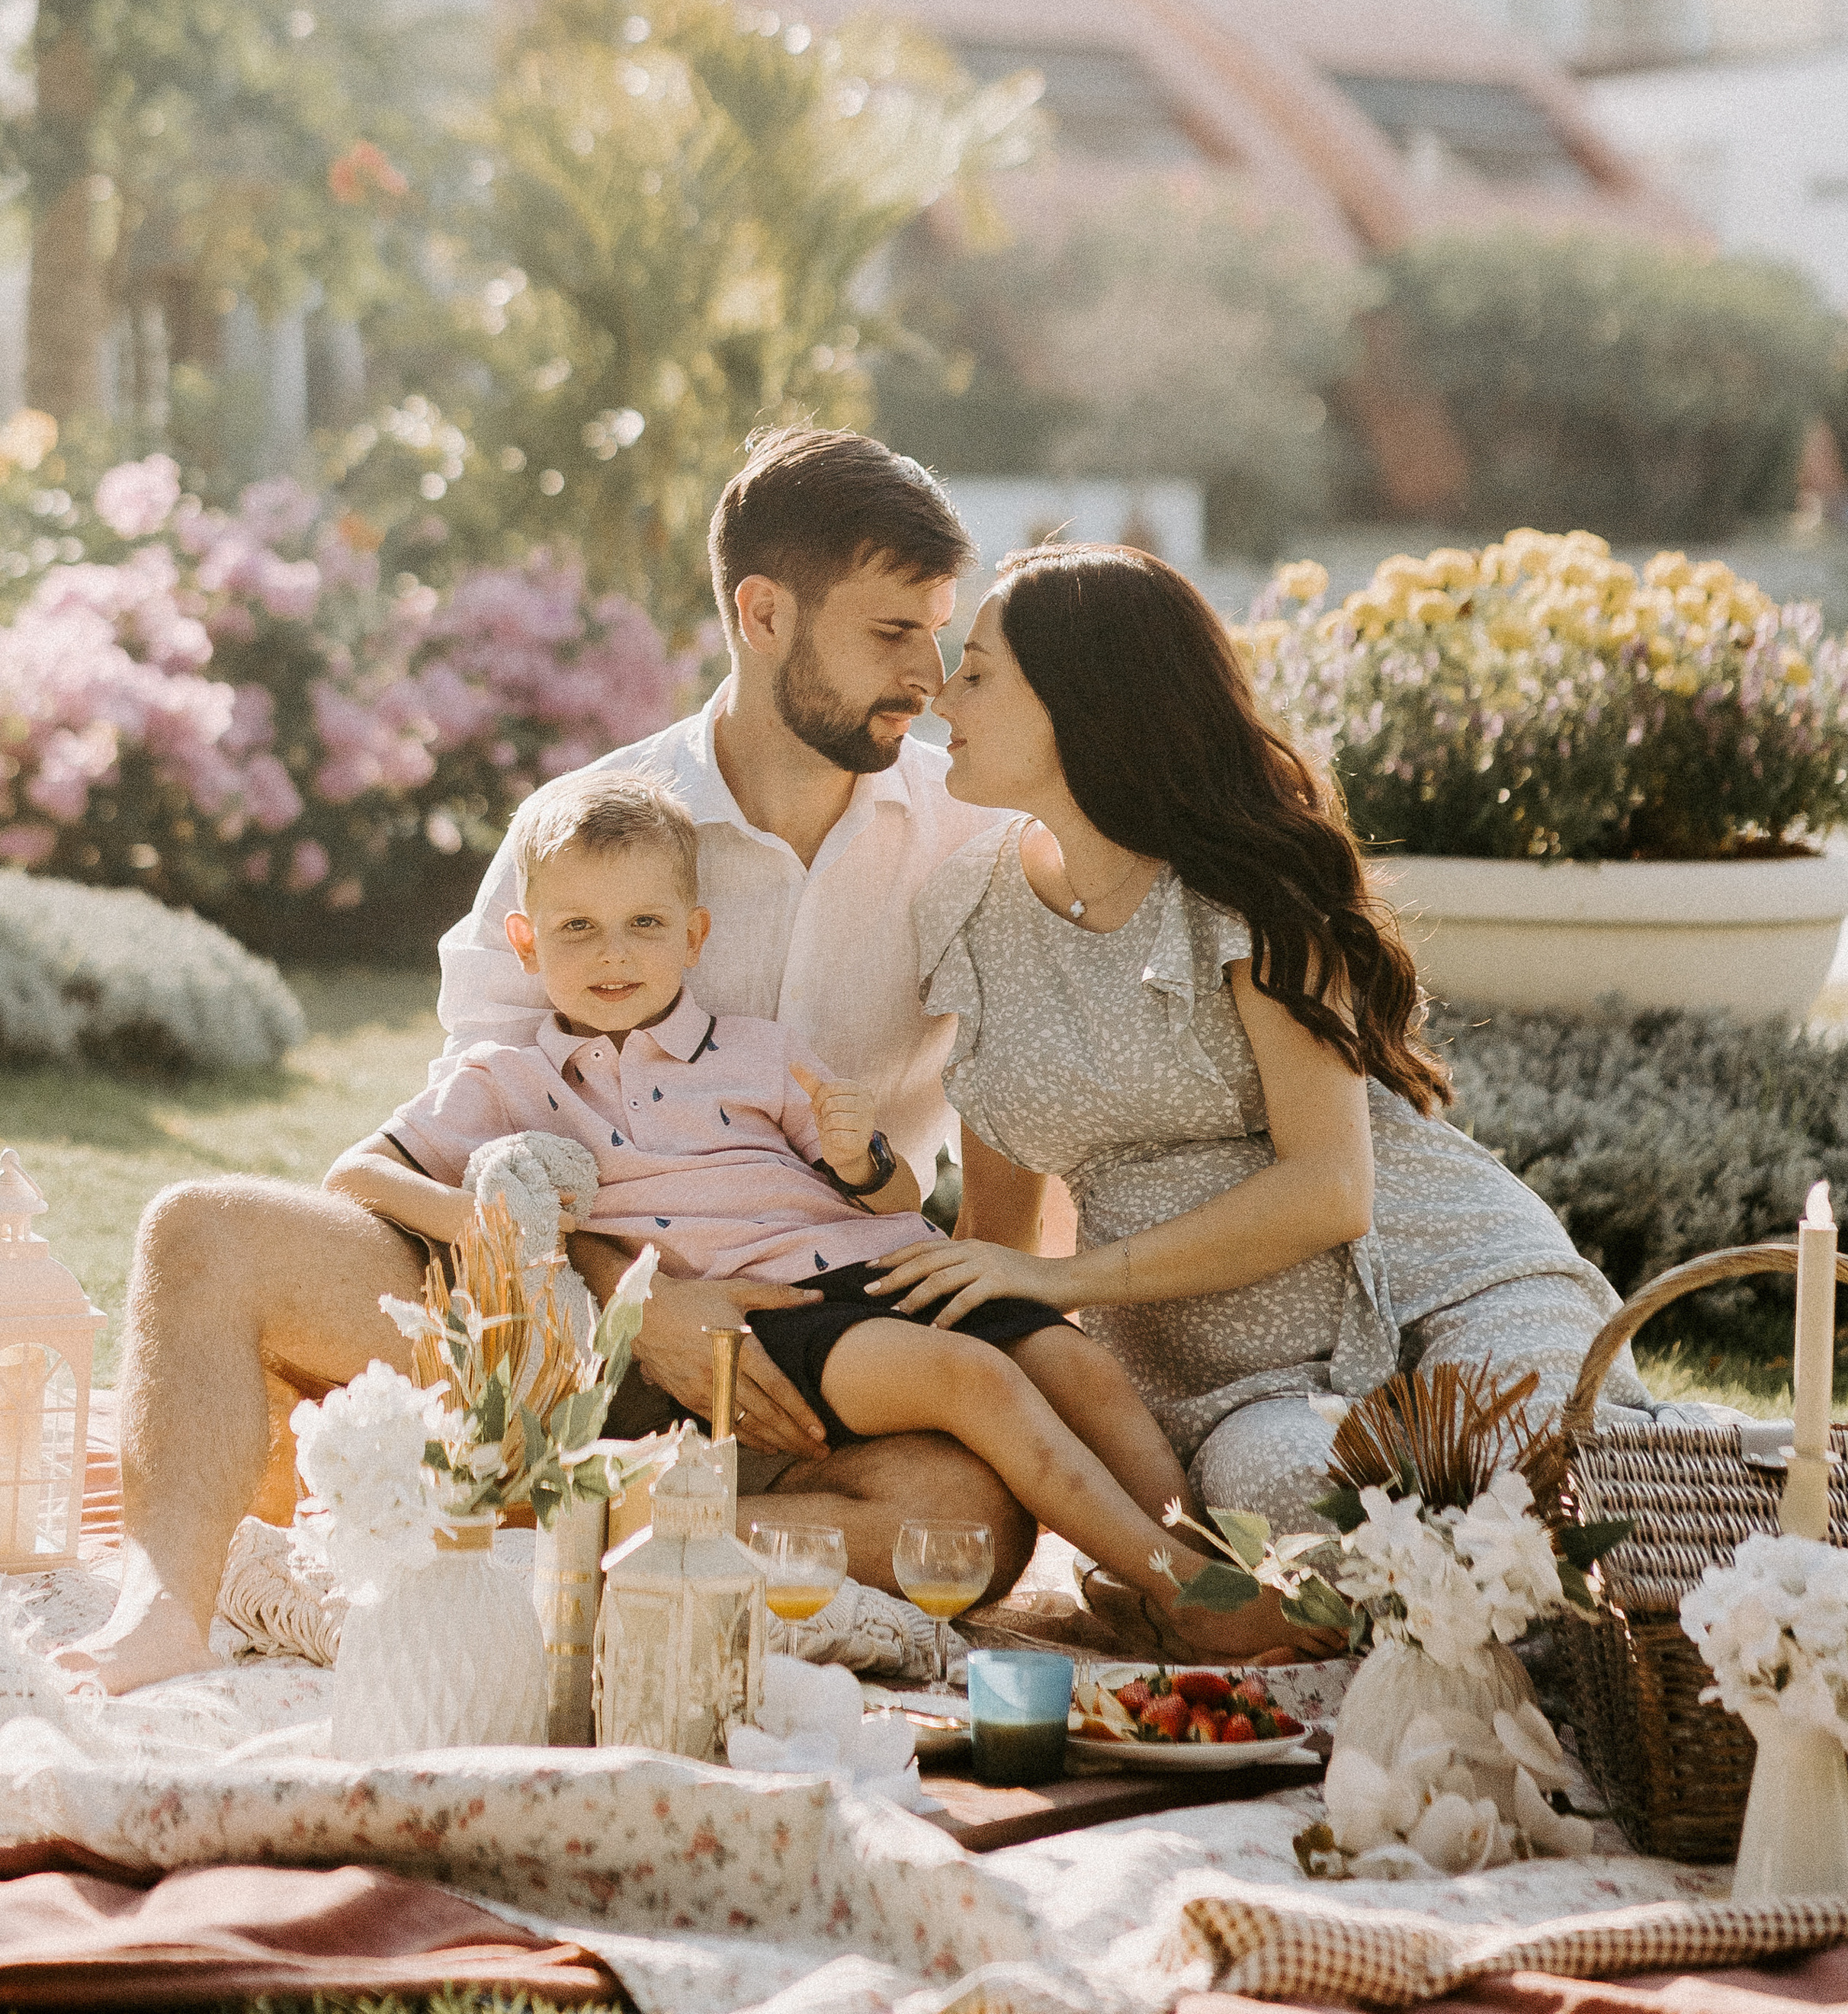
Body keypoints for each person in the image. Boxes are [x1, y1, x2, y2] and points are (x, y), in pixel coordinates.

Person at [56, 428, 1024, 1695]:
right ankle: (165, 1608)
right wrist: (635, 1308)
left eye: (938, 634)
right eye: (894, 633)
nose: (928, 676)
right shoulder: (587, 826)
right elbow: (488, 1110)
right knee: (201, 1231)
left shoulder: (971, 837)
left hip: (820, 1351)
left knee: (971, 1520)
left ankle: (559, 1534)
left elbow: (1010, 1145)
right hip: (553, 1308)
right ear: (764, 614)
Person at [863, 543, 1653, 1551]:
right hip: (1233, 1386)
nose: (943, 699)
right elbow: (1003, 1242)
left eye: (977, 674)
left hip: (1449, 1280)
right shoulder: (970, 910)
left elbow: (1331, 1189)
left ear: (1083, 702)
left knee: (1533, 1478)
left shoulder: (1248, 882)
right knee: (1285, 1499)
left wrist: (1068, 1282)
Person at [329, 769, 1248, 1631]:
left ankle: (1196, 1573)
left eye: (645, 923)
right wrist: (483, 1223)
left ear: (694, 936)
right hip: (780, 1310)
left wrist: (860, 1157)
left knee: (1082, 1368)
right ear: (525, 942)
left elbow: (893, 1192)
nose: (614, 953)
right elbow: (355, 1174)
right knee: (975, 1381)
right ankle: (1185, 1596)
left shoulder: (760, 1050)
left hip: (889, 1262)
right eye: (578, 927)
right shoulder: (506, 1080)